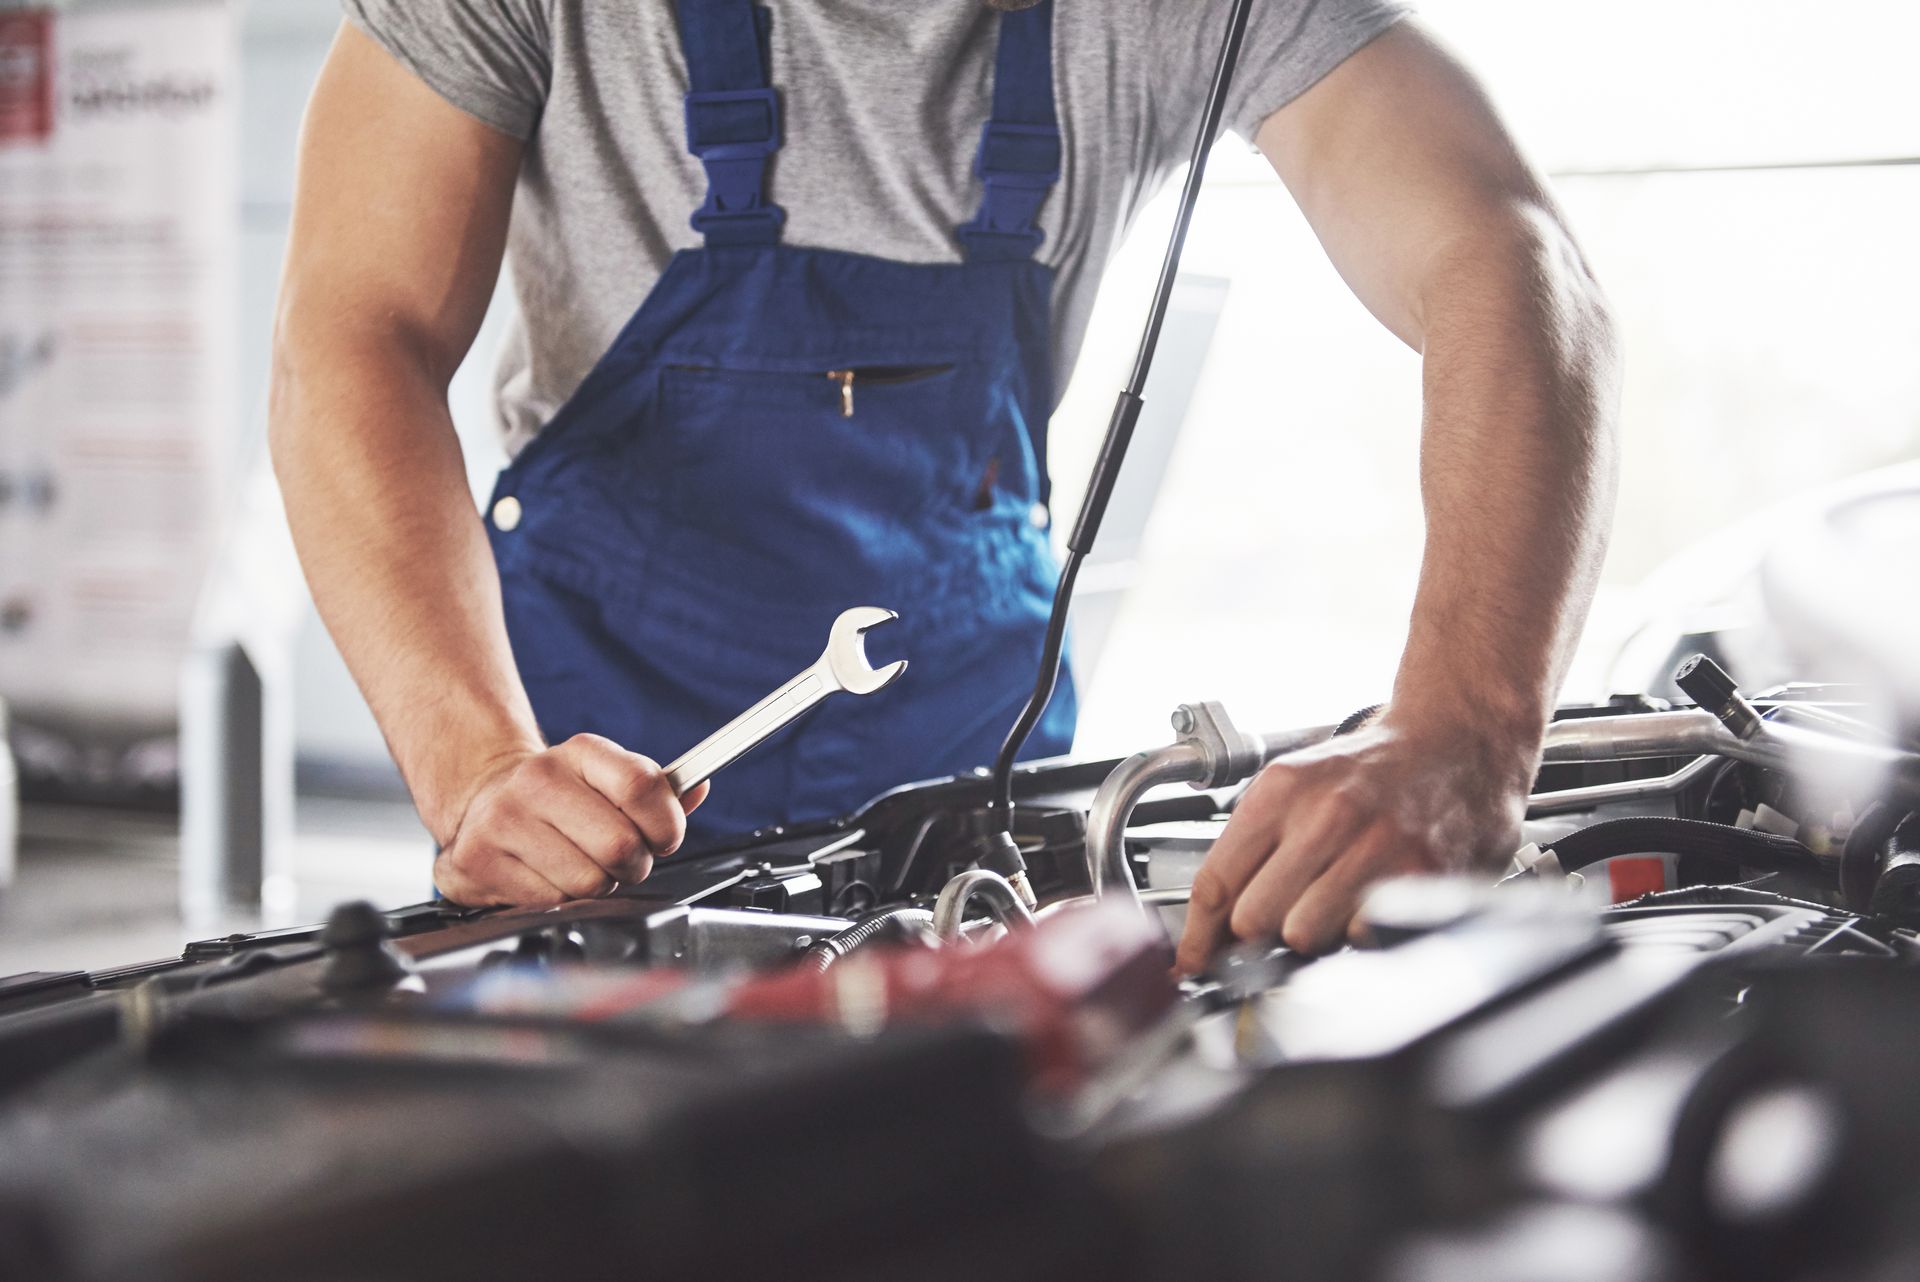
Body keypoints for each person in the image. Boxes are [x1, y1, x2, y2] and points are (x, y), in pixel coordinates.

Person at [269, 0, 1617, 965]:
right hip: (583, 776)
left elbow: (1505, 258)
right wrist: (475, 768)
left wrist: (1466, 728)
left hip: (972, 781)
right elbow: (354, 335)